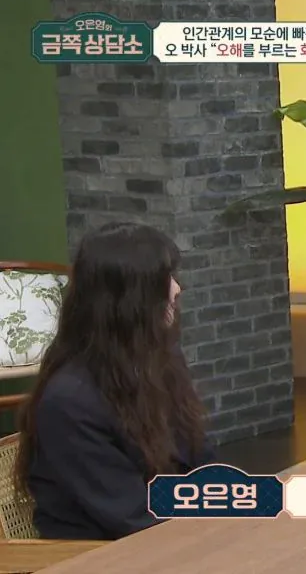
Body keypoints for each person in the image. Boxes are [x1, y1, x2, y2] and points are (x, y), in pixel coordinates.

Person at [14, 222, 215, 540]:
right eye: (164, 279)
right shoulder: (68, 403)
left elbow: (199, 457)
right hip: (100, 552)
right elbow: (133, 516)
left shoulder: (161, 356)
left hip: (176, 533)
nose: (177, 289)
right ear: (129, 300)